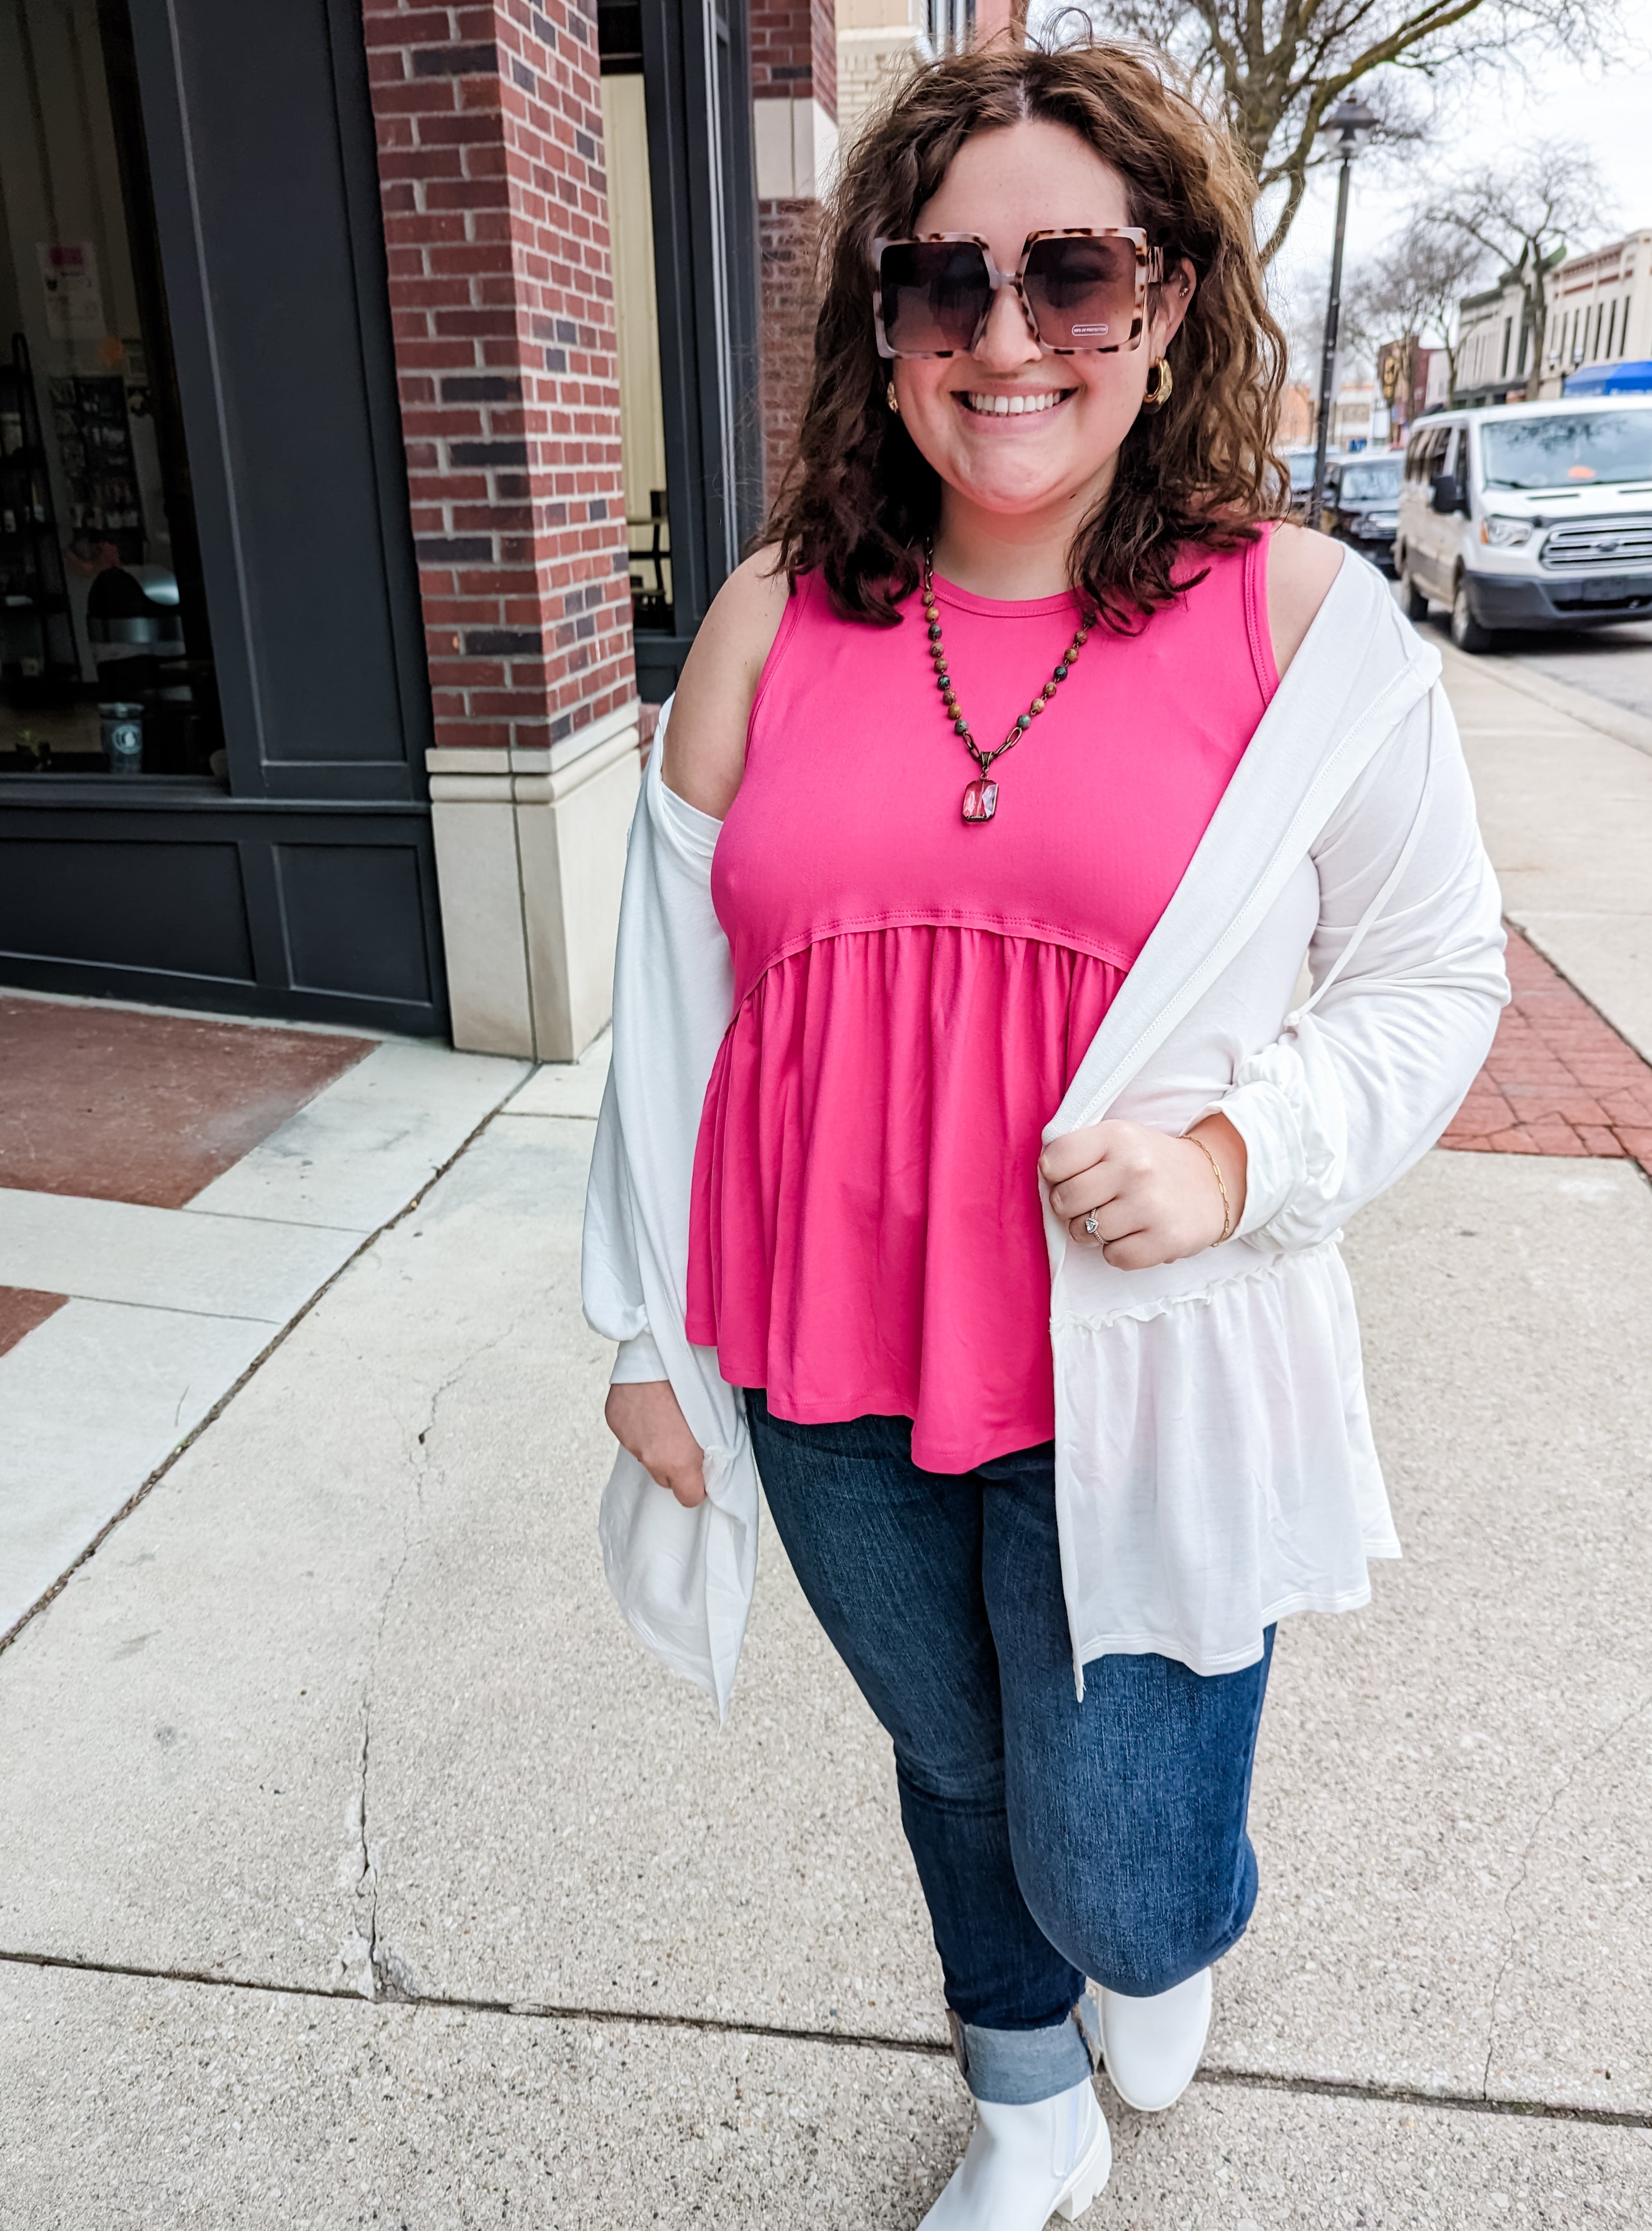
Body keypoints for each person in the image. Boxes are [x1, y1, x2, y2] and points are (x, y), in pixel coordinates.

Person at [584, 36, 1508, 2229]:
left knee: (1121, 1866)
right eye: (942, 287)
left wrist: (1240, 1159)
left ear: (1167, 298)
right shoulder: (767, 619)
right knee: (949, 1762)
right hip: (823, 1364)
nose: (1006, 339)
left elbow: (1431, 976)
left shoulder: (1298, 625)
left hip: (1144, 1369)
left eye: (1071, 274)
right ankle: (1028, 2112)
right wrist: (636, 1328)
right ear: (883, 329)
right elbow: (665, 1008)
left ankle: (1158, 1931)